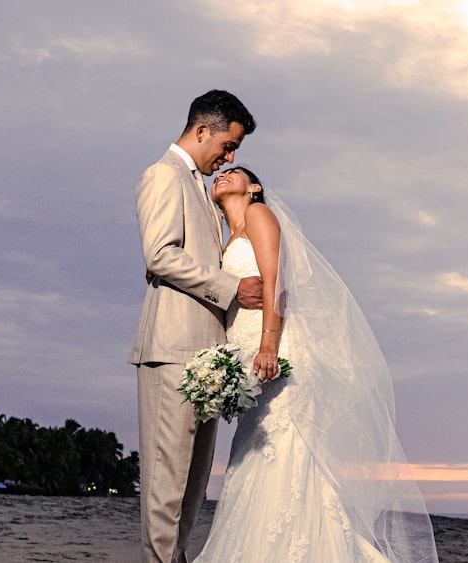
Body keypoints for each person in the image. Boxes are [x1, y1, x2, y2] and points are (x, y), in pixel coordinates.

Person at [195, 167, 439, 562]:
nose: (222, 175)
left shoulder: (259, 214)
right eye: (219, 172)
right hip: (248, 361)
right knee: (255, 453)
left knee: (286, 448)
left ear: (253, 187)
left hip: (272, 352)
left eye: (234, 172)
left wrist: (269, 345)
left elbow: (275, 282)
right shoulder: (226, 238)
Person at [128, 90, 261, 563]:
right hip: (171, 352)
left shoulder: (203, 189)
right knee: (166, 487)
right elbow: (160, 254)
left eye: (234, 153)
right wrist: (231, 287)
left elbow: (182, 259)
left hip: (207, 358)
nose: (227, 158)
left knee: (192, 487)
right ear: (202, 130)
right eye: (227, 146)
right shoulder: (163, 175)